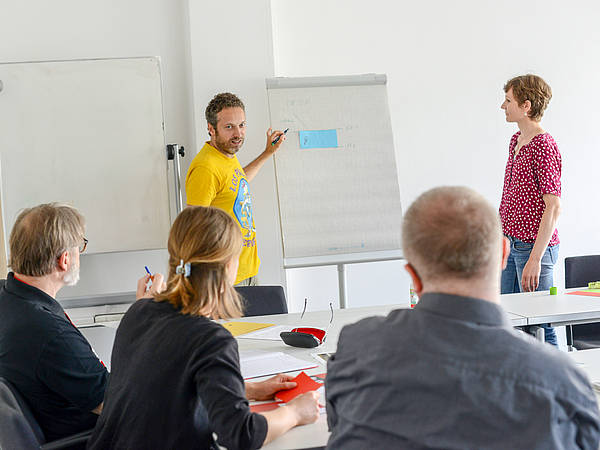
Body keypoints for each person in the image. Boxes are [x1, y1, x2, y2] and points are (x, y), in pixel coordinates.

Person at [325, 186, 600, 450]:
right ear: (504, 254)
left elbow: (336, 423)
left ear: (413, 276)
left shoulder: (355, 347)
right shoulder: (561, 382)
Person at [88, 206, 319, 450]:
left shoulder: (138, 312)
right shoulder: (211, 339)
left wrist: (250, 389)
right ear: (228, 266)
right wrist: (295, 413)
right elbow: (240, 434)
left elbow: (170, 387)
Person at [0, 203, 108, 442]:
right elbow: (117, 403)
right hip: (88, 439)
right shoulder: (50, 334)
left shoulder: (7, 298)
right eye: (80, 247)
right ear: (64, 260)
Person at [185, 92, 286, 286]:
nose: (238, 133)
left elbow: (237, 183)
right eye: (229, 127)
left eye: (242, 125)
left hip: (247, 271)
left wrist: (267, 153)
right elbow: (192, 226)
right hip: (225, 278)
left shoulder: (225, 155)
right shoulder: (206, 167)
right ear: (211, 129)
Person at [499, 74, 562, 346]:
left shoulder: (543, 146)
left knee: (541, 326)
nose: (503, 106)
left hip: (533, 248)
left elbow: (554, 207)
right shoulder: (516, 141)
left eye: (509, 100)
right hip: (512, 243)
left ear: (526, 105)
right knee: (509, 324)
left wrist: (535, 259)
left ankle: (559, 388)